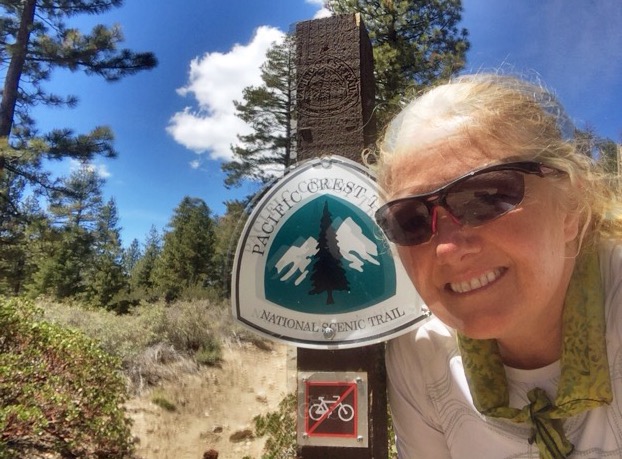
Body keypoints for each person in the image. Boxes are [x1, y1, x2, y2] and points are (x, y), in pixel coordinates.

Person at [372, 74, 622, 459]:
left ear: (570, 207)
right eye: (410, 220)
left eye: (486, 196)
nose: (448, 249)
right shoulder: (422, 355)